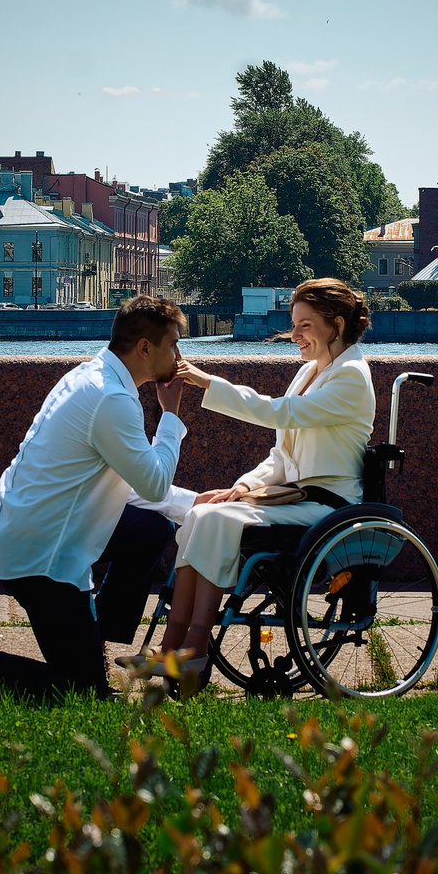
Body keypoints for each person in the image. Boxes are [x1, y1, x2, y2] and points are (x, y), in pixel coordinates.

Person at [0, 294, 197, 700]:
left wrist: (194, 503)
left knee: (151, 530)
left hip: (29, 526)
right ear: (144, 348)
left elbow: (129, 484)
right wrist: (170, 416)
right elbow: (153, 484)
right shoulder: (113, 399)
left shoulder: (91, 375)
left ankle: (93, 634)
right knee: (81, 693)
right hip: (40, 555)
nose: (179, 355)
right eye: (173, 344)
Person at [123, 277, 375, 689]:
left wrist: (206, 381)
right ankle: (172, 649)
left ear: (338, 324)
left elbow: (278, 414)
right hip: (296, 498)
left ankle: (195, 651)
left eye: (305, 325)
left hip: (328, 505)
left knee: (217, 520)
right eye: (294, 324)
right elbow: (282, 455)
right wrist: (241, 487)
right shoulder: (313, 372)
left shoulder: (350, 376)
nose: (294, 335)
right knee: (202, 513)